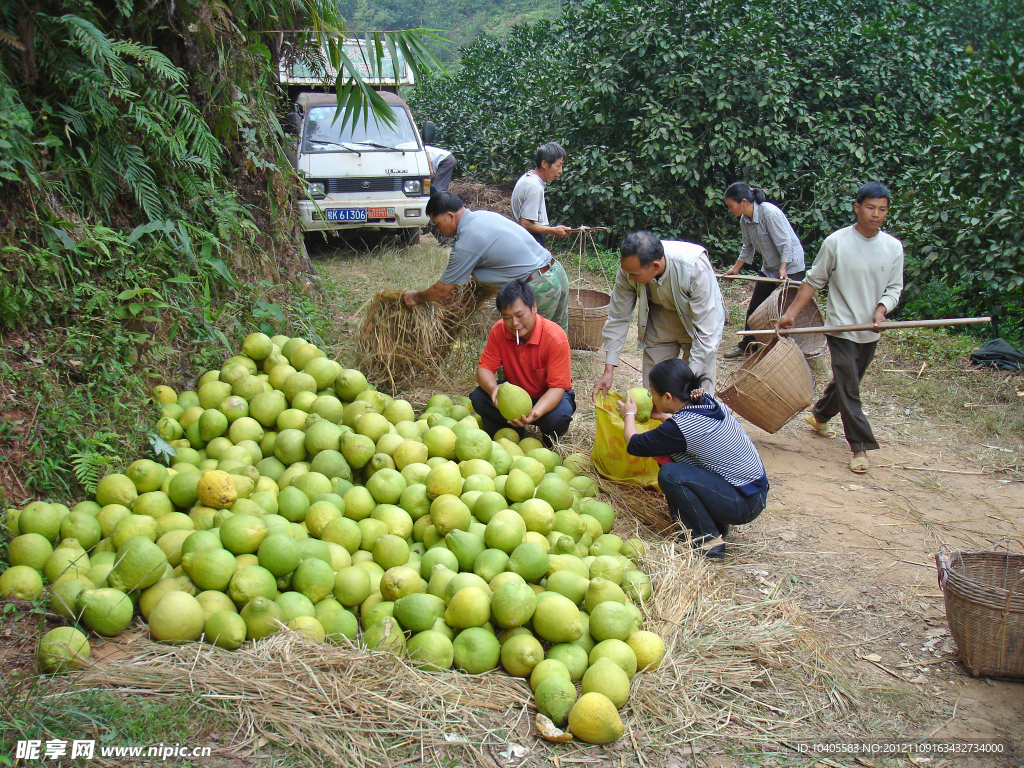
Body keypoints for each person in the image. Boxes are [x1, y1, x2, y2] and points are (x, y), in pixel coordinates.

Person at [777, 181, 904, 474]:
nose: (876, 214)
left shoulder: (892, 248)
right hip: (840, 327)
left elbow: (894, 287)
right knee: (850, 385)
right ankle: (860, 447)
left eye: (882, 209)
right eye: (870, 207)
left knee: (851, 380)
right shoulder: (836, 243)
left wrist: (882, 310)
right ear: (857, 207)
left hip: (870, 329)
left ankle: (820, 415)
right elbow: (813, 281)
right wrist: (791, 314)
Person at [617, 358, 768, 558]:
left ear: (668, 397)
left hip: (744, 503)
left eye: (652, 393)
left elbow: (635, 445)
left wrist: (629, 414)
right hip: (751, 492)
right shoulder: (706, 402)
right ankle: (715, 525)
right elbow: (687, 432)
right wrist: (663, 416)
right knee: (677, 466)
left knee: (671, 475)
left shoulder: (682, 427)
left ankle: (708, 542)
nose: (651, 397)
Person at [402, 191, 570, 332]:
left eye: (438, 224)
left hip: (539, 288)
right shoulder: (482, 216)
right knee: (556, 341)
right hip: (556, 273)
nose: (438, 230)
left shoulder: (467, 241)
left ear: (450, 216)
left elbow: (441, 291)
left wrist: (416, 297)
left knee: (524, 352)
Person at [592, 231, 725, 400]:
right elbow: (618, 316)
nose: (630, 278)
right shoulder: (630, 268)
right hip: (659, 319)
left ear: (655, 266)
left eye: (635, 275)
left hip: (698, 323)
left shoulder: (694, 268)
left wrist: (685, 382)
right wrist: (608, 370)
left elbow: (706, 333)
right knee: (654, 394)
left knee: (696, 395)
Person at [470, 280, 575, 444]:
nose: (514, 323)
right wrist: (494, 390)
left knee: (559, 416)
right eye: (507, 317)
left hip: (546, 395)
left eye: (520, 315)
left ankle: (548, 443)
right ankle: (512, 434)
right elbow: (484, 369)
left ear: (533, 307)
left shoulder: (555, 337)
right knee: (478, 398)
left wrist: (535, 413)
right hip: (515, 393)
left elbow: (557, 387)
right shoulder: (499, 331)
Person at [721, 182, 806, 358]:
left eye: (731, 206)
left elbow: (785, 242)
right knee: (755, 307)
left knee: (784, 310)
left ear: (743, 201)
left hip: (791, 266)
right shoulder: (745, 219)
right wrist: (735, 269)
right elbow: (748, 246)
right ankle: (747, 345)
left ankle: (786, 352)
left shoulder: (769, 212)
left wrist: (783, 269)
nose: (729, 210)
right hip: (769, 267)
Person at [510, 141, 571, 246]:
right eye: (558, 166)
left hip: (523, 240)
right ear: (544, 164)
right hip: (528, 241)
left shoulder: (528, 178)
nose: (561, 171)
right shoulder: (534, 186)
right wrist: (554, 230)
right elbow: (525, 224)